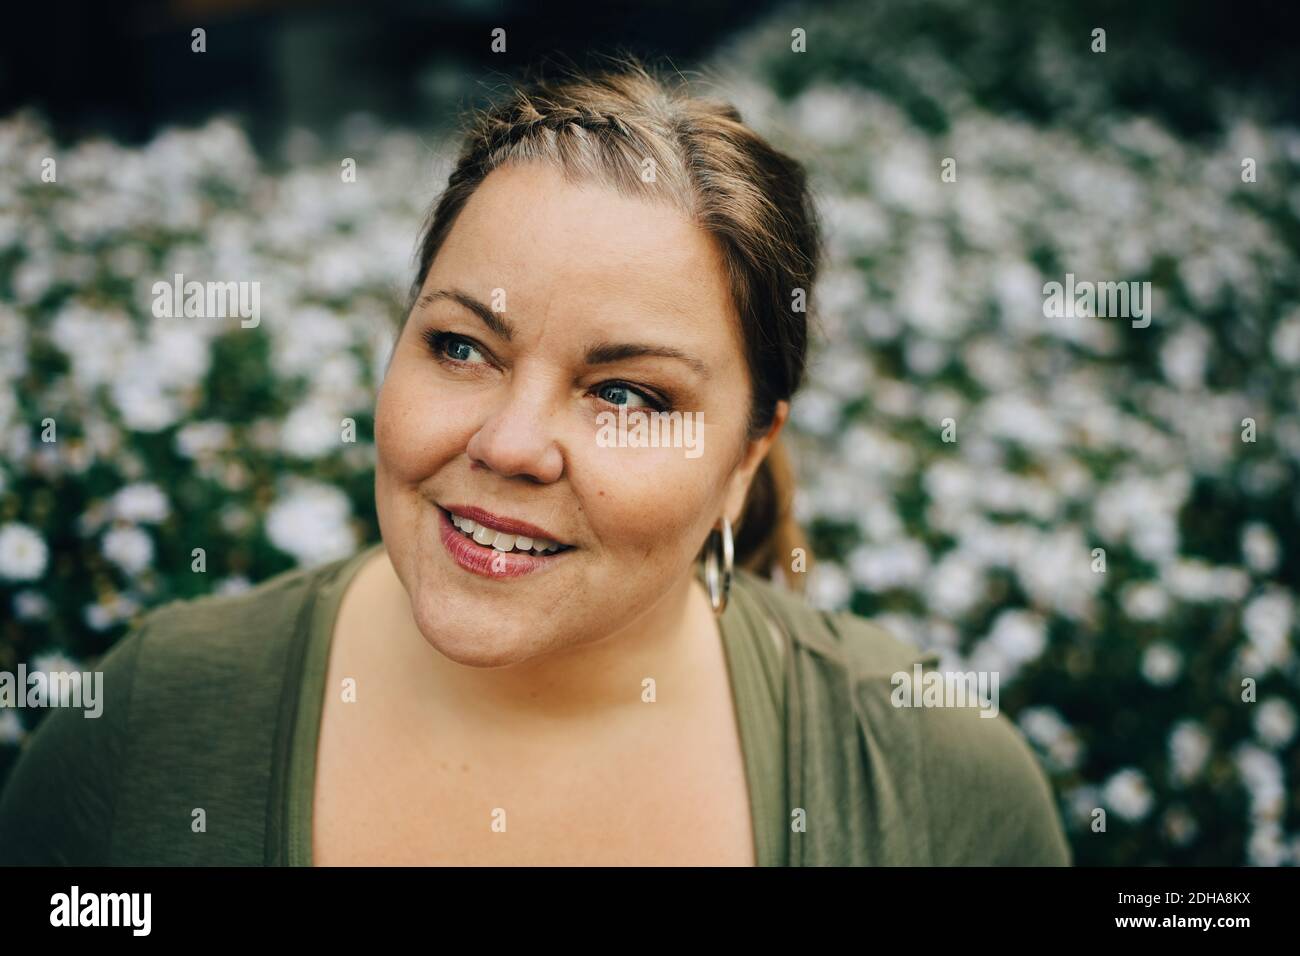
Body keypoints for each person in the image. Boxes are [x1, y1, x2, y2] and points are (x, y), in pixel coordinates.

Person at [0, 55, 1070, 866]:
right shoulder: (147, 728)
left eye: (627, 393)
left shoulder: (936, 791)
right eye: (461, 346)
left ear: (748, 456)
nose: (508, 444)